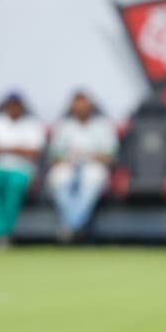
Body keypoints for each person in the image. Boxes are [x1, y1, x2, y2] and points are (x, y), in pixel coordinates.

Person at [45, 90, 119, 241]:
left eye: (84, 106)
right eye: (78, 106)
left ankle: (69, 226)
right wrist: (69, 158)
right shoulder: (64, 126)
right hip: (68, 165)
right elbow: (53, 156)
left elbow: (110, 156)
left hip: (94, 165)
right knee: (59, 179)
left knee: (92, 178)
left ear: (91, 107)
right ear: (72, 108)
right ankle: (76, 226)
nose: (81, 109)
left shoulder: (102, 125)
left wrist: (89, 155)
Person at [0, 91, 46, 244]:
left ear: (22, 107)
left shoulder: (32, 125)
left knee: (16, 185)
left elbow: (33, 153)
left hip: (21, 169)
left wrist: (3, 148)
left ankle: (4, 231)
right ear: (4, 106)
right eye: (10, 105)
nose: (13, 108)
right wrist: (18, 149)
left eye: (16, 105)